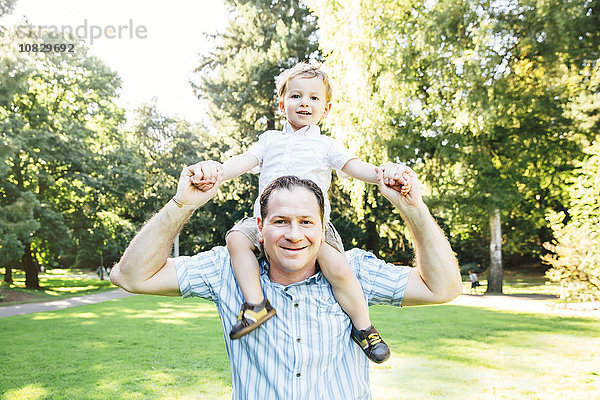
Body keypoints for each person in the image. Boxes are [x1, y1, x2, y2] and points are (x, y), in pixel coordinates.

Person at [110, 165, 463, 400]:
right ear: (259, 228)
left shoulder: (353, 271)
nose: (294, 235)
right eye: (280, 221)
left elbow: (443, 287)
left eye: (307, 222)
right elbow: (131, 276)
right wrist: (182, 204)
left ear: (324, 230)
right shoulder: (224, 270)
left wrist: (413, 207)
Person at [194, 62, 411, 364]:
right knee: (235, 239)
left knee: (337, 267)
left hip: (312, 227)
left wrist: (381, 175)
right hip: (267, 223)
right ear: (282, 104)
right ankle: (256, 304)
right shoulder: (270, 140)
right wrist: (216, 171)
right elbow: (244, 160)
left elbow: (353, 166)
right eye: (296, 96)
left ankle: (364, 328)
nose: (304, 103)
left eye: (313, 98)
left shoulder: (326, 145)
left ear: (327, 108)